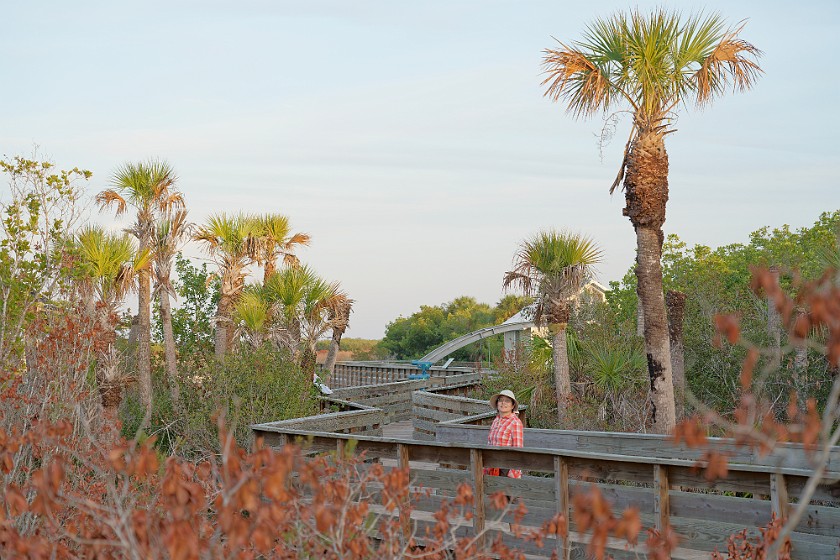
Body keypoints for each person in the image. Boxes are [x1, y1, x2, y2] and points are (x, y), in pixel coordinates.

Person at [485, 389, 524, 479]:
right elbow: (489, 444)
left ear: (512, 405)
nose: (503, 403)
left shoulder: (515, 422)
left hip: (506, 467)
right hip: (493, 465)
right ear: (497, 403)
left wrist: (514, 471)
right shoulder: (496, 421)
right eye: (501, 400)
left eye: (507, 401)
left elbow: (518, 449)